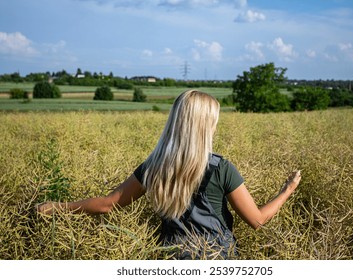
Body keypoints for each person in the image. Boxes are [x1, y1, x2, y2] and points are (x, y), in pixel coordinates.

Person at [37, 90, 301, 259]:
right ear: (206, 125)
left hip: (171, 258)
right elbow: (257, 221)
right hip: (217, 258)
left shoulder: (153, 166)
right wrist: (287, 190)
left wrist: (58, 206)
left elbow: (108, 205)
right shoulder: (221, 168)